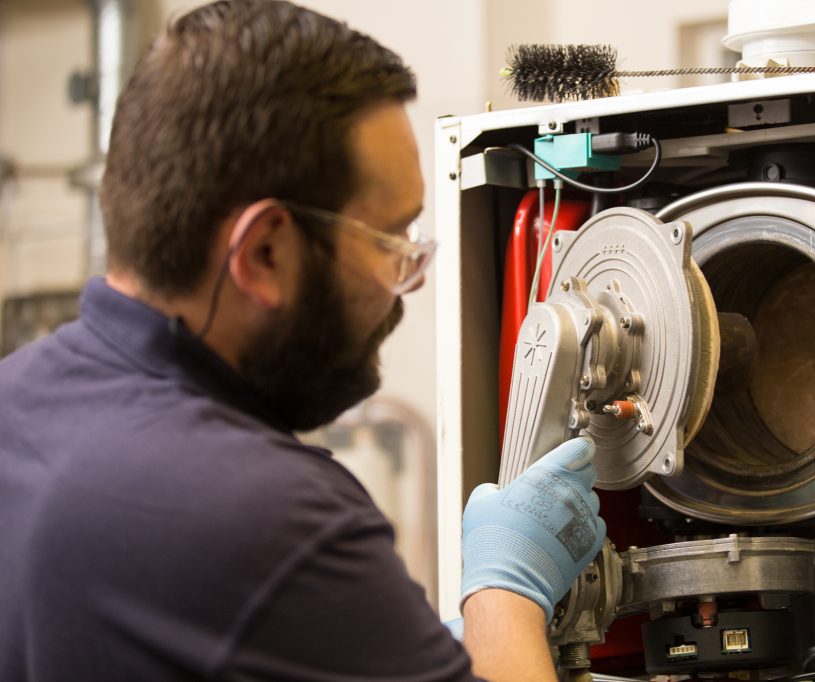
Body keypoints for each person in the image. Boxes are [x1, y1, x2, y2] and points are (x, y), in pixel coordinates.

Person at [0, 2, 605, 681]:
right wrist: (505, 596)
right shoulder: (273, 523)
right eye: (389, 241)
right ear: (263, 252)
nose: (406, 279)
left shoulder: (14, 402)